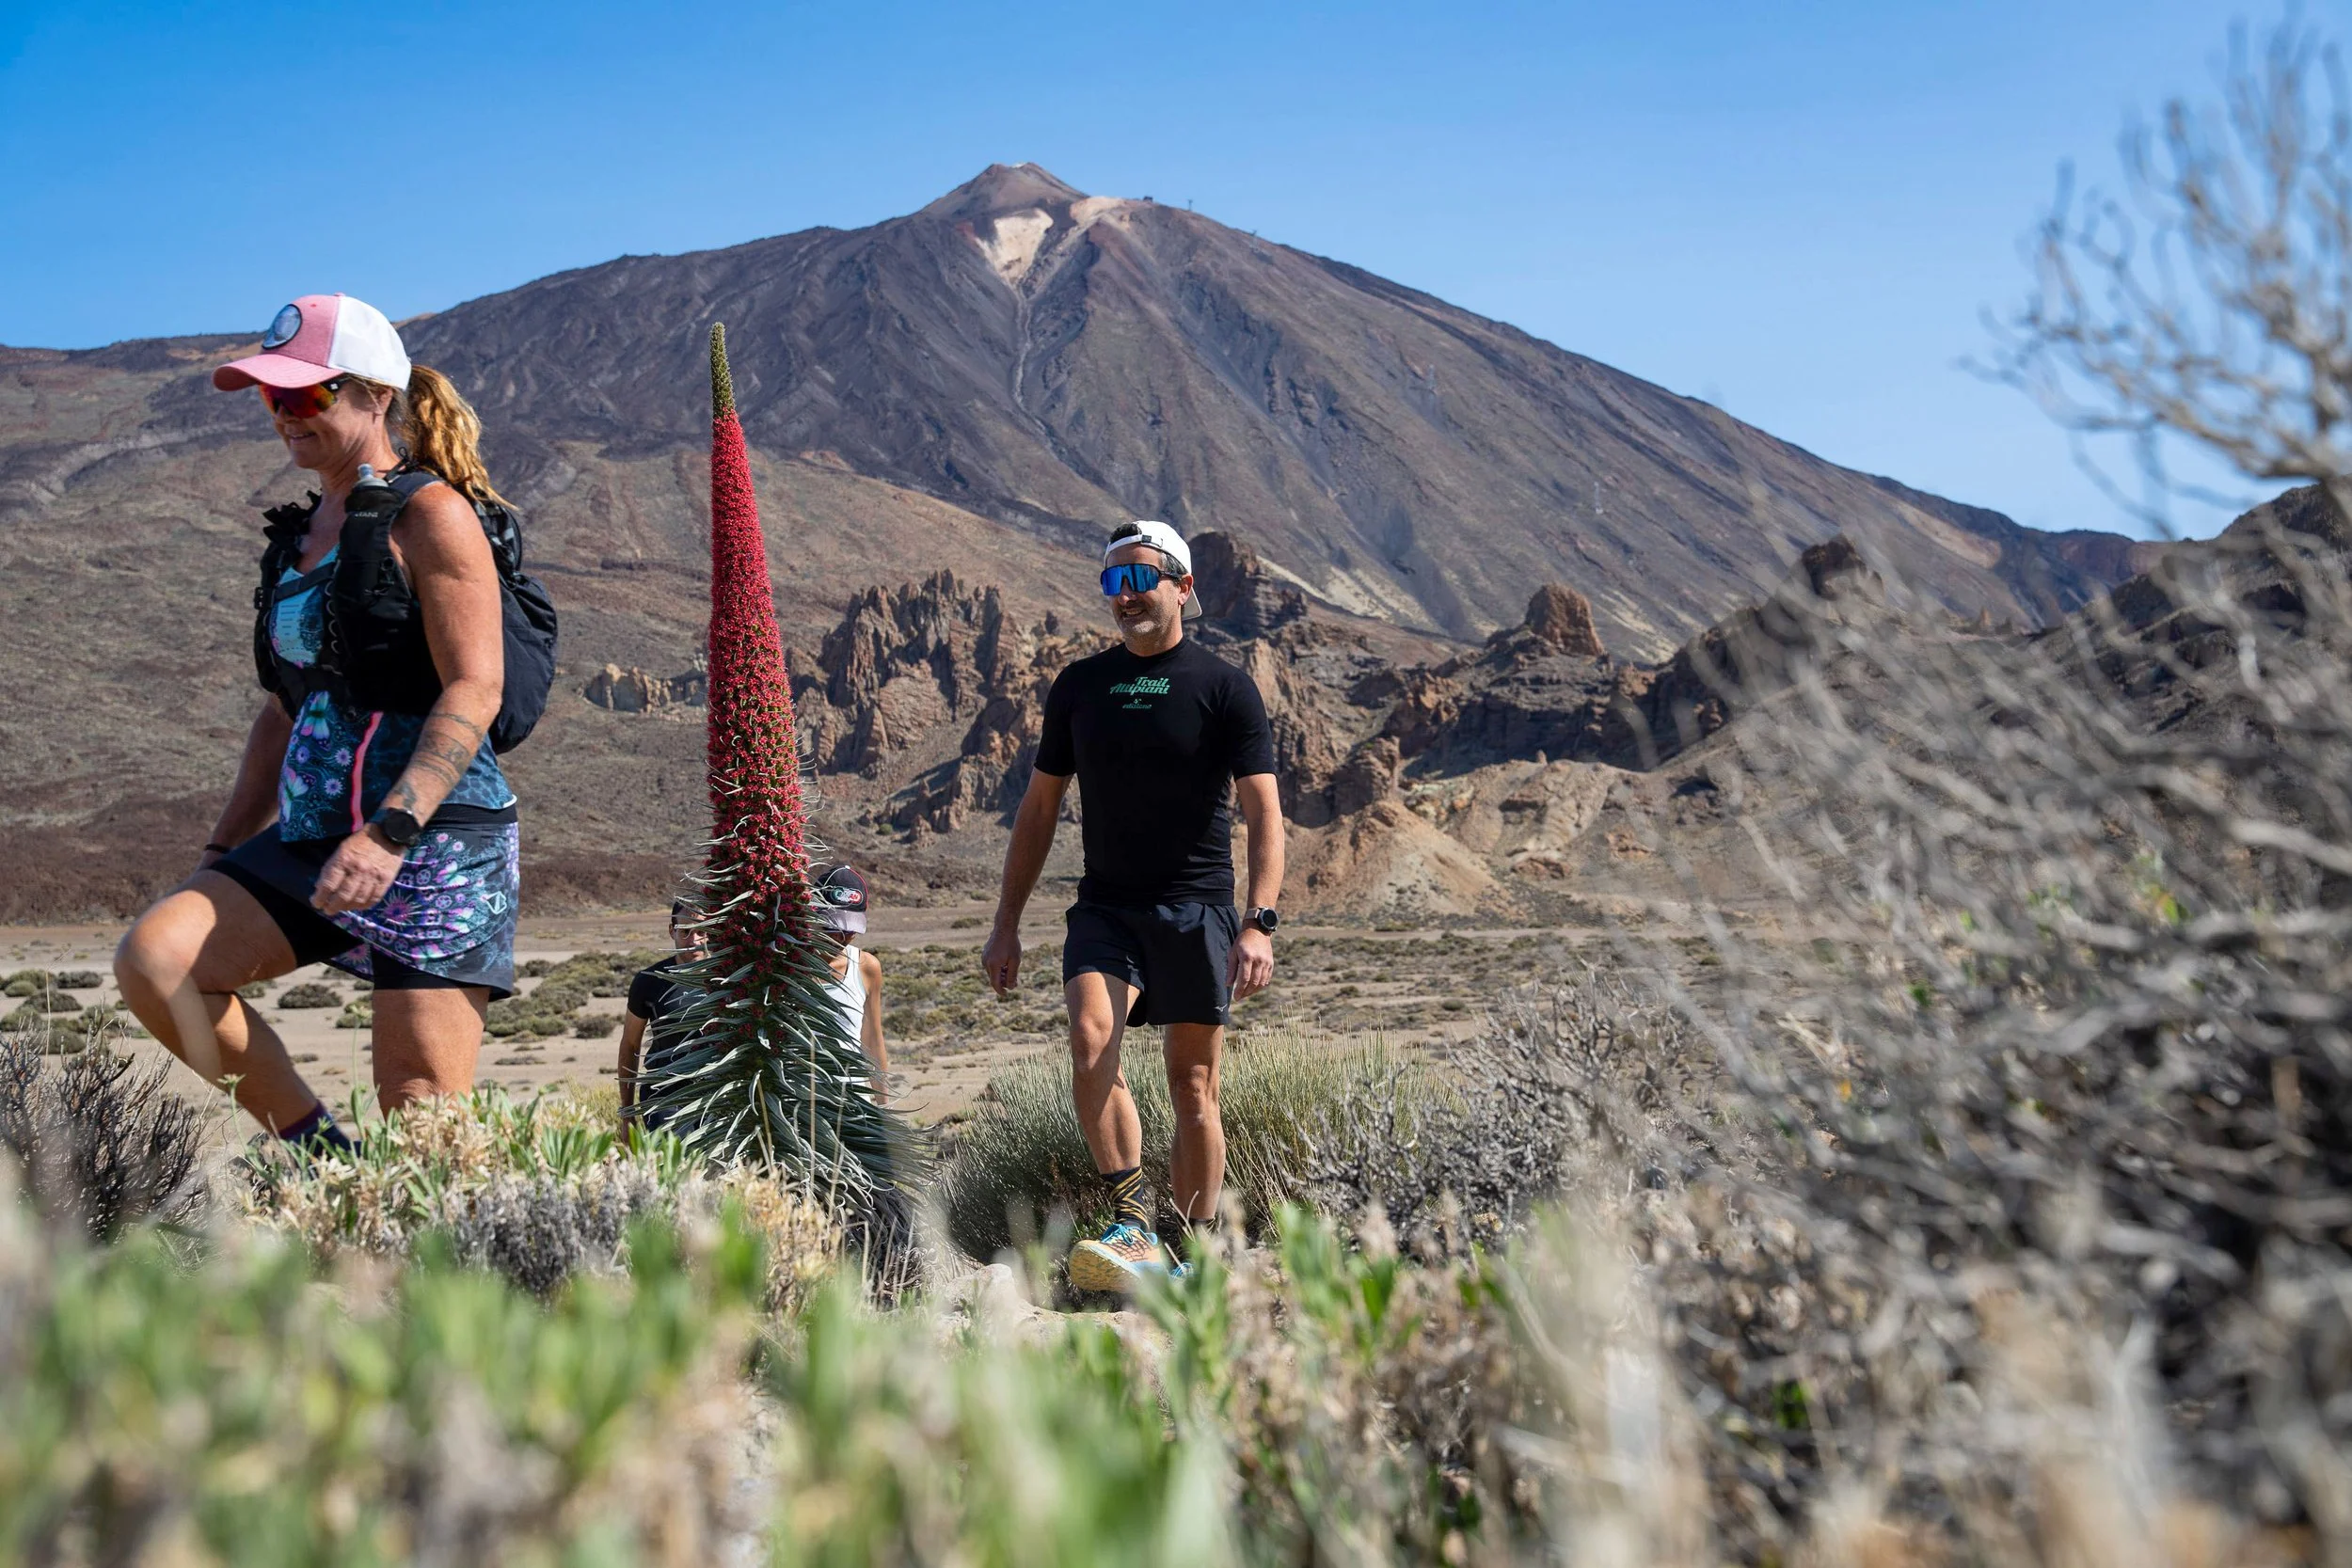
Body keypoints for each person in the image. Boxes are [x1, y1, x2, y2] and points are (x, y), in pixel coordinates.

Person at [114, 293, 521, 1149]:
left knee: (420, 1115)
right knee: (158, 959)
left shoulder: (431, 515)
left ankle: (438, 1231)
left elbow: (476, 687)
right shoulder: (300, 535)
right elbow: (285, 708)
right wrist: (221, 851)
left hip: (433, 841)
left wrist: (390, 831)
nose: (285, 415)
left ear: (377, 395)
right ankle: (321, 1159)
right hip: (315, 834)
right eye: (273, 396)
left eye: (307, 394)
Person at [982, 520, 1284, 1291]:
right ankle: (1133, 1223)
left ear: (1183, 586)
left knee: (1193, 1087)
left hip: (1197, 909)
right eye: (1112, 582)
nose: (1125, 595)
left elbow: (1264, 813)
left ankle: (1198, 1254)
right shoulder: (1080, 687)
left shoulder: (1225, 687)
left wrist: (1258, 921)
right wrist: (1006, 922)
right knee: (1091, 1042)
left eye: (1140, 578)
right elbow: (1040, 809)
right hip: (1107, 908)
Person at [619, 898, 706, 1130]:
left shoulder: (729, 979)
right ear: (671, 930)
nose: (694, 940)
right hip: (664, 1096)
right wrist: (627, 1114)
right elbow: (630, 1044)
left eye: (702, 931)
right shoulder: (649, 981)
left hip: (715, 1097)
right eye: (685, 931)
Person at [812, 863, 890, 1104]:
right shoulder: (788, 967)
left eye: (851, 928)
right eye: (833, 926)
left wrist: (884, 1112)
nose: (843, 937)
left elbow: (873, 1042)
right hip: (798, 1111)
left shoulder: (867, 968)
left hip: (853, 1109)